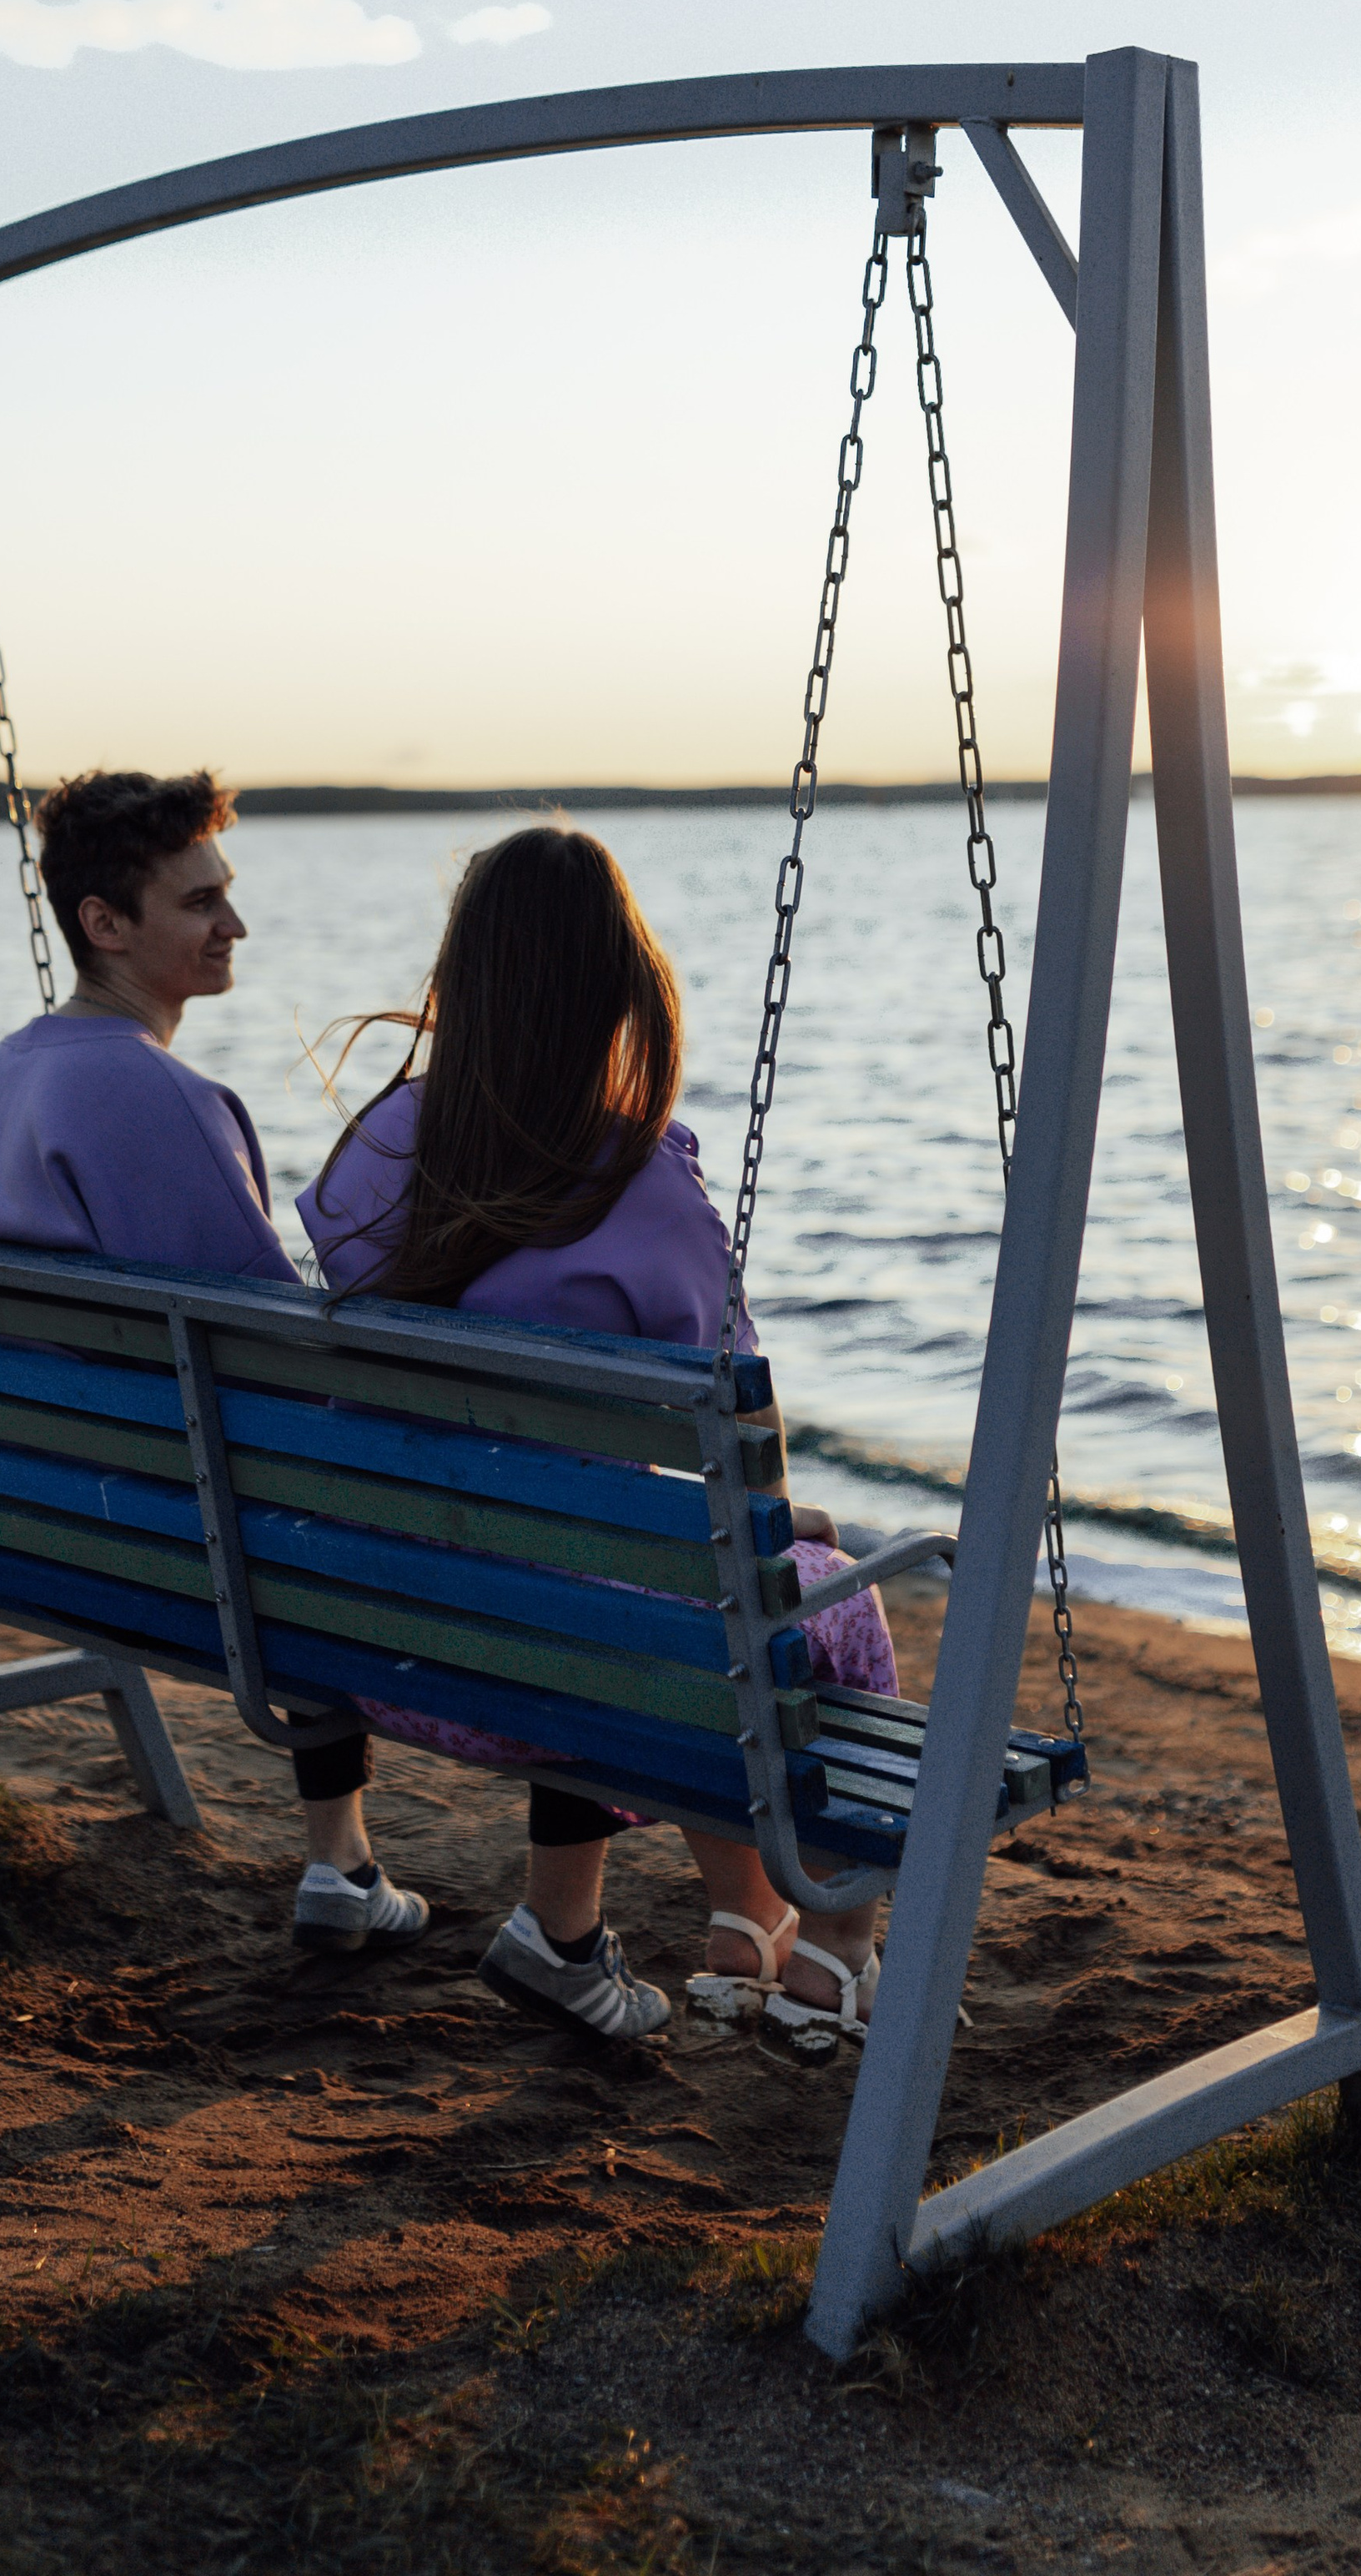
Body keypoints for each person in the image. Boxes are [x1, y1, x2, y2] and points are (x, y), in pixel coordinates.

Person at [298, 821, 896, 2047]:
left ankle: (679, 1922)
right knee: (815, 1602)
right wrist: (790, 1522)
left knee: (618, 1565)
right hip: (572, 1661)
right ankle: (838, 1941)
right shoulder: (644, 1185)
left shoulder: (371, 1150)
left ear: (460, 977)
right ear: (622, 987)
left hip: (382, 1634)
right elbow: (742, 1431)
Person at [0, 767, 427, 1957]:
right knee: (346, 1478)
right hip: (162, 1537)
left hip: (32, 1511)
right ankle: (346, 1858)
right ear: (105, 923)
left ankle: (342, 1863)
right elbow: (274, 1358)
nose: (234, 925)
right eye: (200, 902)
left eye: (226, 895)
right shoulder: (160, 1097)